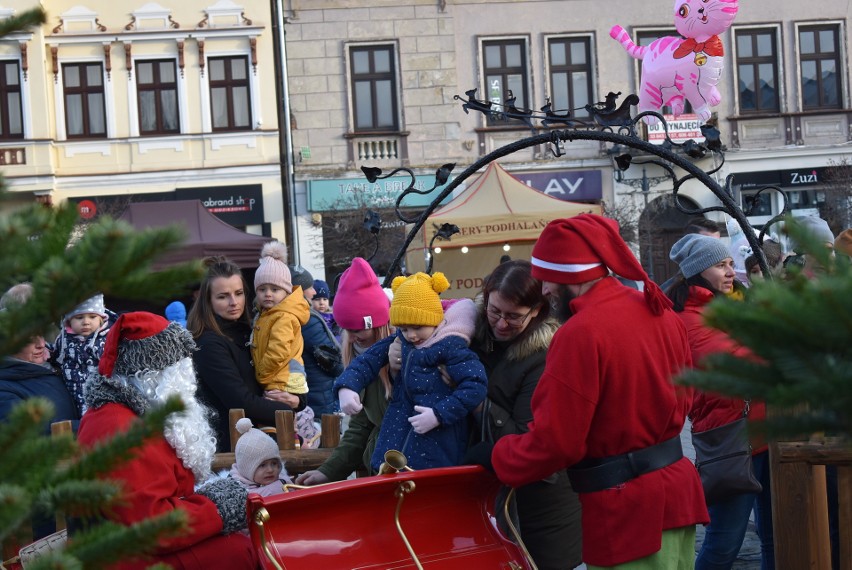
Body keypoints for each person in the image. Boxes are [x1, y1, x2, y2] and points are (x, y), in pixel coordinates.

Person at [476, 214, 707, 568]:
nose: (547, 291)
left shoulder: (580, 333)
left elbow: (557, 441)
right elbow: (687, 396)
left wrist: (499, 454)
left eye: (547, 280)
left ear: (570, 273)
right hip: (676, 497)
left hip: (626, 511)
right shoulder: (659, 311)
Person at [77, 312, 258, 569]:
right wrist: (215, 508)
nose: (187, 378)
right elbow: (152, 525)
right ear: (152, 376)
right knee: (239, 551)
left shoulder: (139, 412)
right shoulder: (118, 427)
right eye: (178, 368)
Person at [667, 234, 773, 570]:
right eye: (720, 265)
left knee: (772, 537)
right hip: (729, 439)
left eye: (730, 264)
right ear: (698, 271)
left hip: (763, 435)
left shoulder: (725, 307)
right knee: (724, 544)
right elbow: (733, 363)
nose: (730, 271)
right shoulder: (687, 318)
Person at [470, 259, 582, 570]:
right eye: (495, 312)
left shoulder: (546, 356)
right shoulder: (470, 331)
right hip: (489, 498)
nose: (502, 324)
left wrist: (477, 402)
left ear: (537, 311)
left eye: (514, 317)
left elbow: (523, 438)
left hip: (543, 502)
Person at [336, 272, 487, 471]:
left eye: (417, 327)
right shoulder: (401, 341)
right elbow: (366, 361)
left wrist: (439, 414)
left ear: (434, 320)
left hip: (438, 450)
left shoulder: (452, 347)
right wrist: (347, 386)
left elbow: (475, 386)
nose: (411, 335)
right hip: (394, 443)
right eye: (404, 328)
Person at [187, 256, 304, 452]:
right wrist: (286, 410)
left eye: (239, 293)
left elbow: (288, 364)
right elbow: (240, 401)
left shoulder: (253, 329)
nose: (234, 302)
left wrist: (298, 399)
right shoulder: (207, 343)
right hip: (231, 449)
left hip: (263, 441)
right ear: (208, 301)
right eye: (223, 296)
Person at [296, 257, 393, 485]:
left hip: (406, 468)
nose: (353, 335)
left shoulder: (401, 354)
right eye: (347, 329)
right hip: (381, 468)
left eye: (358, 328)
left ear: (376, 323)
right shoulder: (356, 354)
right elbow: (360, 425)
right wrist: (329, 471)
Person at [0, 283, 80, 432]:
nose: (41, 344)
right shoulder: (4, 388)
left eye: (42, 333)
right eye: (30, 339)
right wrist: (91, 427)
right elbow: (28, 439)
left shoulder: (60, 360)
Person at [250, 241, 310, 399]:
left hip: (283, 382)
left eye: (274, 289)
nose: (268, 294)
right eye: (262, 289)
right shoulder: (267, 314)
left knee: (282, 422)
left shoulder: (284, 316)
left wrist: (261, 373)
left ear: (286, 292)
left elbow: (278, 350)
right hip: (278, 378)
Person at [48, 293, 117, 416]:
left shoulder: (107, 338)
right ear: (69, 320)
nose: (86, 322)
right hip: (74, 392)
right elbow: (55, 357)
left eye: (92, 317)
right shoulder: (64, 340)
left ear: (101, 319)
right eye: (79, 318)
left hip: (103, 393)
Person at [290, 266, 343, 419]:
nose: (313, 292)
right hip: (318, 400)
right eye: (309, 287)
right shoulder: (307, 321)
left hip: (304, 399)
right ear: (299, 291)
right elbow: (335, 364)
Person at [229, 417, 291, 497]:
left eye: (274, 463)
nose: (270, 470)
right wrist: (279, 486)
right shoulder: (236, 491)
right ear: (246, 468)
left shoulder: (282, 479)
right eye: (262, 465)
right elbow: (251, 498)